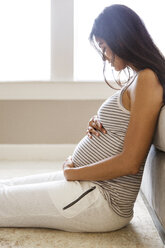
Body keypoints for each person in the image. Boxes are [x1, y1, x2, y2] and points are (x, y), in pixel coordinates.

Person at [0, 4, 164, 232]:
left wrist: (73, 172)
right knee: (4, 186)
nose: (105, 57)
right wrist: (101, 122)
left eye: (104, 47)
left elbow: (131, 163)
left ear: (122, 38)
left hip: (102, 199)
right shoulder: (139, 78)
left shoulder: (147, 79)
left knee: (3, 201)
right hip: (88, 186)